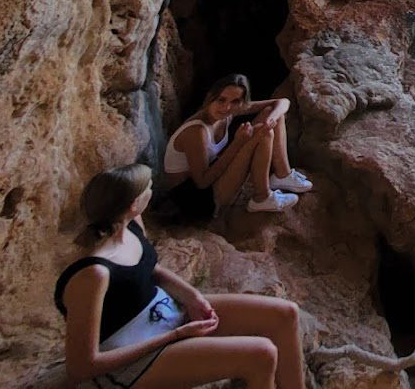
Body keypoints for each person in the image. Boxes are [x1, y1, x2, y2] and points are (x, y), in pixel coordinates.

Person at [56, 164, 306, 388]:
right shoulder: (93, 273)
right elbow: (82, 368)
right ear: (133, 204)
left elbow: (150, 271)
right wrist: (175, 336)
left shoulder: (131, 224)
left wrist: (192, 296)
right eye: (148, 188)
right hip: (131, 358)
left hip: (165, 313)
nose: (151, 191)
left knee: (286, 314)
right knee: (261, 355)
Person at [162, 74, 311, 217]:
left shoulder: (228, 112)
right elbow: (202, 182)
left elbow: (283, 102)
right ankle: (262, 197)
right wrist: (238, 143)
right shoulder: (196, 131)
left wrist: (270, 119)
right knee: (264, 133)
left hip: (208, 180)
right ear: (210, 97)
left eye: (235, 101)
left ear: (241, 103)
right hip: (192, 199)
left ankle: (282, 174)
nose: (227, 107)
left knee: (270, 113)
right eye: (221, 100)